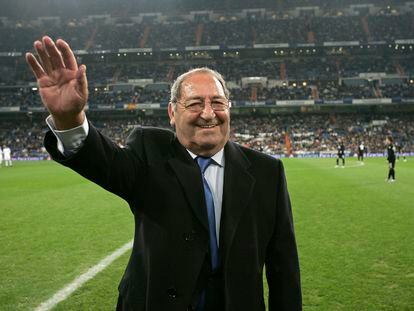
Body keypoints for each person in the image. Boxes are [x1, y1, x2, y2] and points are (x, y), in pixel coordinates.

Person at [26, 36, 301, 311]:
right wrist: (69, 119)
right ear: (172, 112)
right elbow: (103, 161)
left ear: (229, 108)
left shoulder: (267, 171)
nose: (208, 113)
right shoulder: (150, 152)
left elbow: (284, 267)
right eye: (194, 104)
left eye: (217, 102)